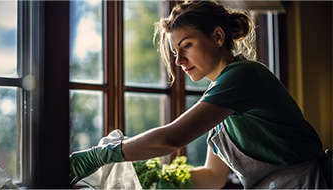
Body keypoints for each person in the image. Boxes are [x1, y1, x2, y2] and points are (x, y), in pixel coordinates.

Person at [69, 0, 332, 189]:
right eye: (174, 53)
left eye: (187, 46)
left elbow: (173, 137)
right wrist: (155, 179)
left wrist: (100, 156)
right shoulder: (220, 97)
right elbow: (212, 176)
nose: (180, 60)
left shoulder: (243, 76)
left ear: (217, 37)